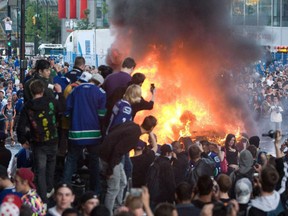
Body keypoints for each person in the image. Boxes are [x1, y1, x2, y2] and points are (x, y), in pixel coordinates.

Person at [17, 79, 65, 204]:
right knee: (51, 167)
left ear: (31, 92)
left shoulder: (27, 107)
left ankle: (43, 198)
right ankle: (50, 189)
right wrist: (59, 93)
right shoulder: (51, 101)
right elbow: (62, 109)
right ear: (43, 90)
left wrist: (22, 140)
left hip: (38, 143)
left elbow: (20, 126)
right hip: (53, 140)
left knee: (40, 170)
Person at [99, 115, 157, 215]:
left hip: (112, 156)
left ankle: (117, 207)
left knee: (123, 182)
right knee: (113, 188)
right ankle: (108, 213)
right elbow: (117, 151)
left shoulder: (132, 125)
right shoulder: (134, 136)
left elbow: (113, 129)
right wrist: (110, 170)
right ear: (151, 128)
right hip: (110, 159)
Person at [63, 71, 106, 194]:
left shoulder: (74, 90)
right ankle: (95, 191)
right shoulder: (100, 93)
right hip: (94, 134)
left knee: (71, 160)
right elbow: (101, 114)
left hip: (76, 133)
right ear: (99, 84)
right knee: (94, 162)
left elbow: (67, 111)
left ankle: (64, 187)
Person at [146, 144, 176, 209]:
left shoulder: (156, 160)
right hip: (162, 197)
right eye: (171, 153)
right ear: (167, 153)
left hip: (153, 194)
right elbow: (170, 182)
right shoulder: (167, 165)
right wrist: (173, 197)